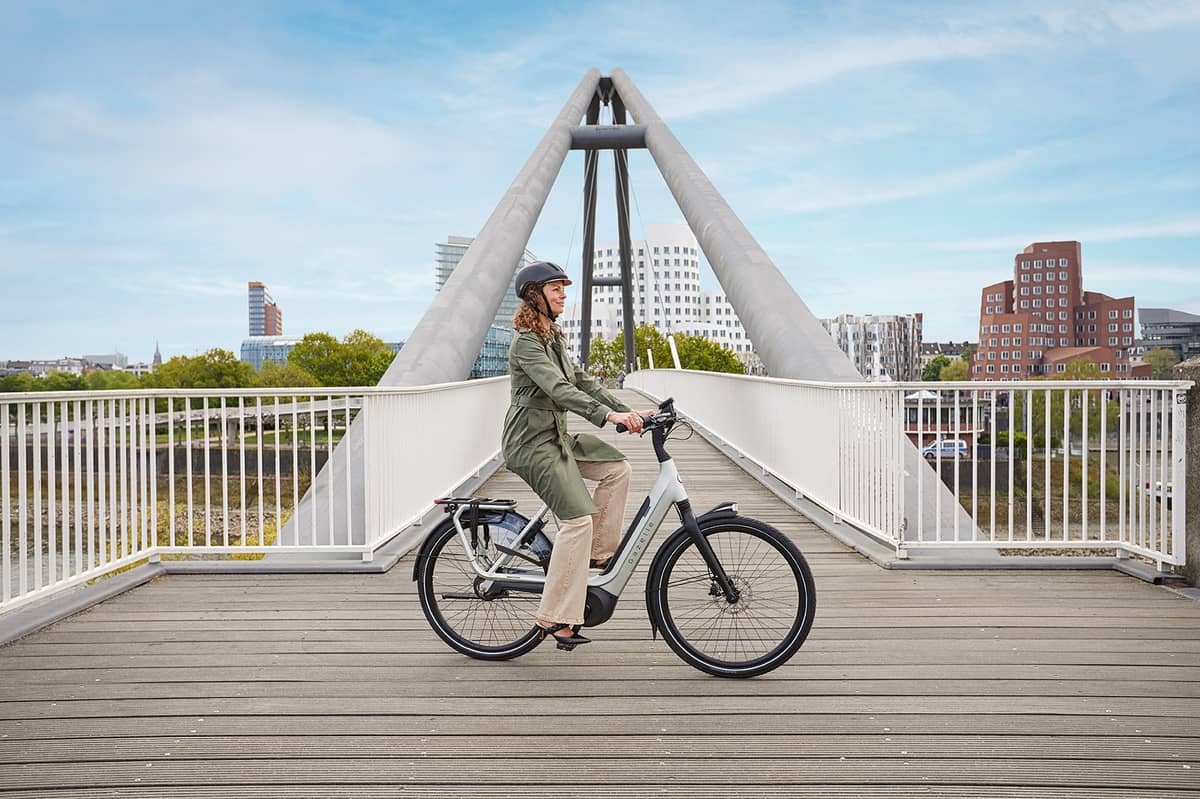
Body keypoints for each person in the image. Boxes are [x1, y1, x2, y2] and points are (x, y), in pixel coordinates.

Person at [502, 261, 651, 651]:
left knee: (617, 469)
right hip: (532, 443)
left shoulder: (552, 336)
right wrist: (607, 416)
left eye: (564, 289)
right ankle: (554, 617)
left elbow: (581, 381)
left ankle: (598, 558)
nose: (563, 294)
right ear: (535, 295)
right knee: (577, 521)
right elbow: (557, 389)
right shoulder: (526, 343)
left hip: (558, 437)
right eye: (556, 289)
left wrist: (628, 410)